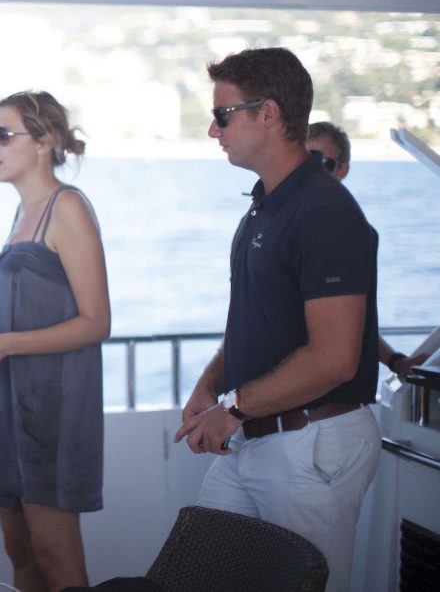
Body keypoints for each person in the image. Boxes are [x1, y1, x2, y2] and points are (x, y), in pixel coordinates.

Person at [174, 48, 381, 592]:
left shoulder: (325, 211)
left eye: (223, 115)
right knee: (201, 577)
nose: (213, 130)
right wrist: (210, 385)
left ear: (267, 113)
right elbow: (256, 319)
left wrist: (234, 407)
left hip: (310, 446)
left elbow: (335, 359)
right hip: (253, 438)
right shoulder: (266, 204)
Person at [0, 91, 110, 592]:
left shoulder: (68, 207)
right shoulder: (22, 217)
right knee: (22, 560)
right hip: (7, 416)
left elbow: (96, 322)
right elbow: (29, 298)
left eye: (2, 133)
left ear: (43, 142)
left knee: (58, 562)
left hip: (50, 417)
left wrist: (4, 344)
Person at [307, 120, 429, 379]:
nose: (313, 172)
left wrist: (395, 361)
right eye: (307, 160)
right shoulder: (276, 226)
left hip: (331, 410)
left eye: (324, 163)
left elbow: (356, 324)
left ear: (342, 169)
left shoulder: (358, 235)